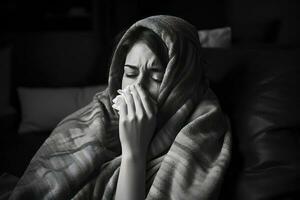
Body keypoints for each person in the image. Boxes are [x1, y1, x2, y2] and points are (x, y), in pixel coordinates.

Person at [9, 15, 231, 200]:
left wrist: (133, 151)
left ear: (181, 83)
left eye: (156, 76)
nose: (137, 87)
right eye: (130, 73)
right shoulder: (99, 114)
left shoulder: (202, 130)